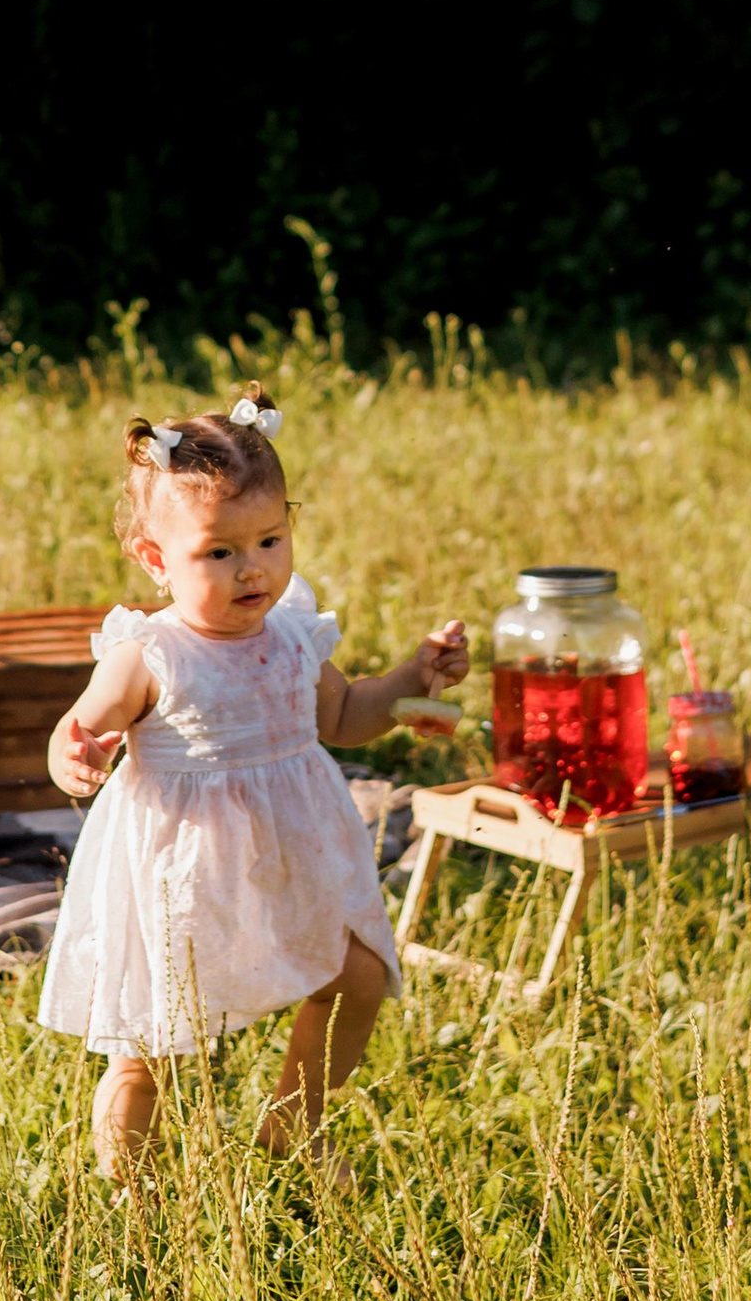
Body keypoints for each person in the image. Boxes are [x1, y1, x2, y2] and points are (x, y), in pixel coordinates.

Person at [37, 386, 466, 1181]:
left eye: (269, 539)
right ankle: (129, 1190)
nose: (252, 568)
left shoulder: (293, 637)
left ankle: (293, 1116)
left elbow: (344, 713)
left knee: (358, 975)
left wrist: (414, 677)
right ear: (157, 560)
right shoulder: (150, 654)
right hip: (184, 870)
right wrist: (78, 749)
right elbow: (85, 719)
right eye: (219, 551)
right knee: (153, 1045)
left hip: (295, 850)